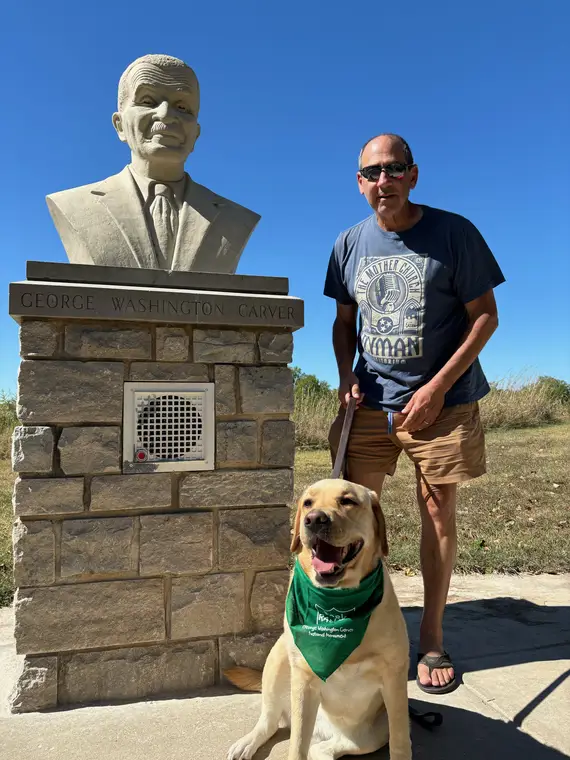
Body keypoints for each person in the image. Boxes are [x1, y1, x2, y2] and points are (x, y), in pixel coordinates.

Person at [324, 133, 505, 694]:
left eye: (394, 169)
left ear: (413, 174)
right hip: (372, 402)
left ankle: (429, 638)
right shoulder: (348, 244)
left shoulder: (455, 233)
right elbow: (344, 324)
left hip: (443, 404)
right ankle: (356, 626)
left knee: (436, 511)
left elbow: (485, 317)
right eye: (372, 173)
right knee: (352, 516)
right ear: (360, 182)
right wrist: (345, 374)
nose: (384, 181)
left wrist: (437, 387)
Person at [46, 54, 260, 272]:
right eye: (148, 101)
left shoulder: (234, 218)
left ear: (195, 134)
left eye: (183, 107)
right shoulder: (76, 205)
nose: (166, 115)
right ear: (119, 126)